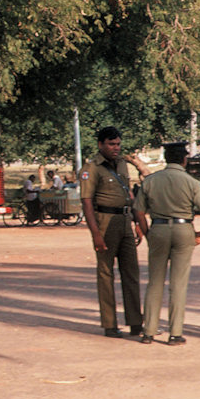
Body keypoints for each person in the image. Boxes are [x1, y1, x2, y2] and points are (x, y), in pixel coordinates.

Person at [134, 142, 200, 345]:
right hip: (183, 230)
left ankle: (149, 331)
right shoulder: (192, 182)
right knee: (178, 284)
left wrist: (147, 233)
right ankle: (175, 333)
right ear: (184, 160)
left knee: (155, 282)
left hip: (158, 229)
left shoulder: (151, 180)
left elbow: (139, 212)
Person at [80, 126, 145, 338]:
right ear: (100, 145)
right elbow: (87, 203)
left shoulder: (123, 165)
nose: (115, 148)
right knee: (106, 273)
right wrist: (95, 234)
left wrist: (136, 220)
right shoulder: (92, 168)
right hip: (105, 222)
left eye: (117, 144)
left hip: (125, 220)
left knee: (131, 273)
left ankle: (136, 322)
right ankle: (110, 324)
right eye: (111, 144)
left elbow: (129, 194)